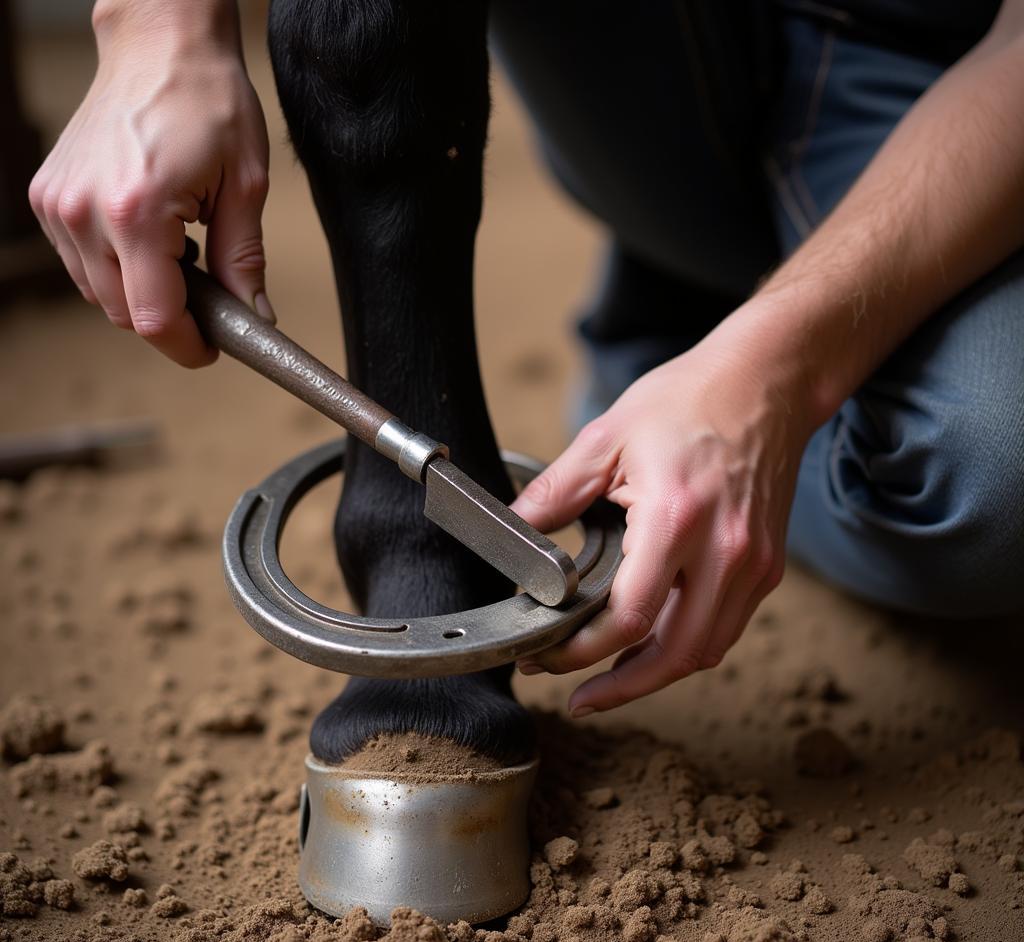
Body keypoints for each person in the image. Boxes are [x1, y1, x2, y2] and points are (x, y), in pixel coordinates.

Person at [30, 1, 1024, 724]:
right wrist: (155, 32)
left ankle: (680, 364)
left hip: (956, 78)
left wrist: (781, 372)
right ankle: (421, 565)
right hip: (653, 60)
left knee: (992, 485)